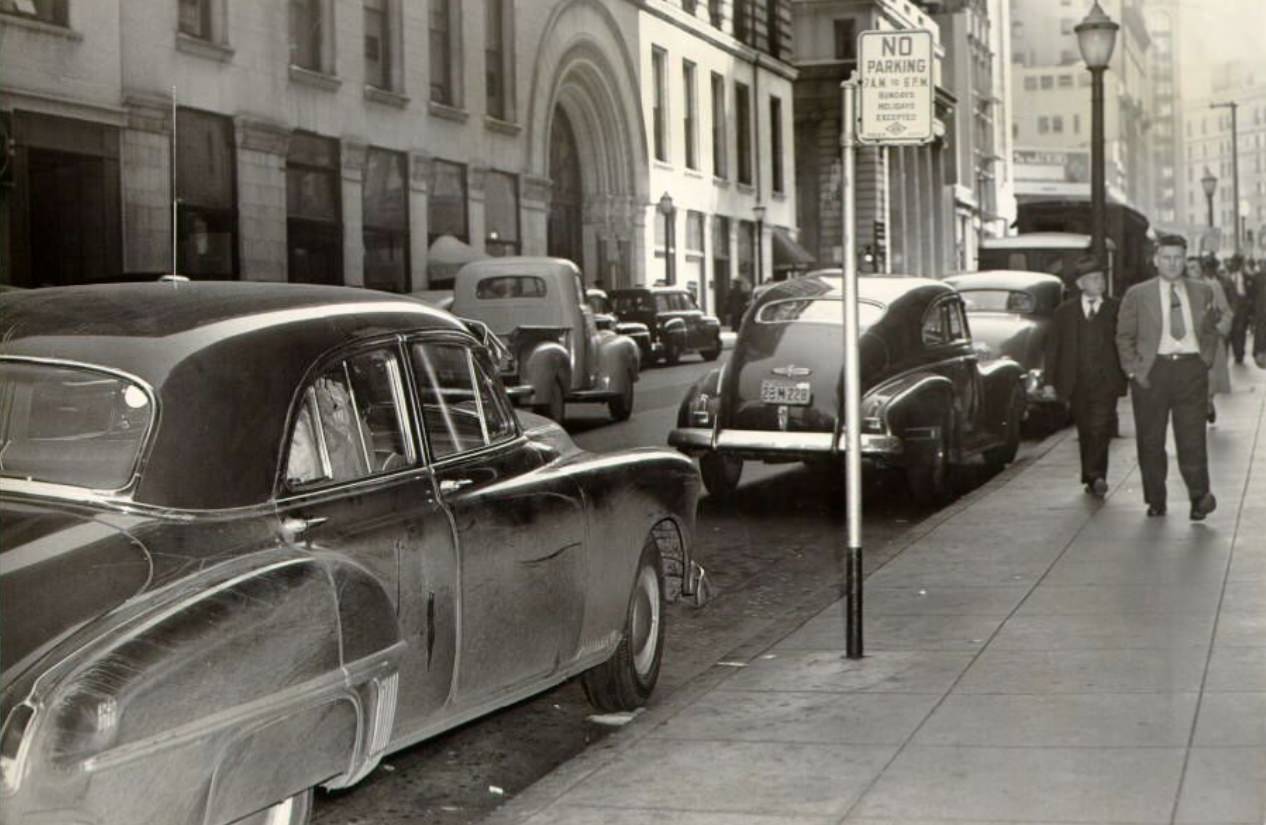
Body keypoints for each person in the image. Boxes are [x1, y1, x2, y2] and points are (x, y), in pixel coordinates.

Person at [1116, 233, 1221, 520]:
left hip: (1190, 370)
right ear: (1156, 260)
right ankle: (1156, 499)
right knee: (1151, 440)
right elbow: (1124, 336)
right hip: (1153, 372)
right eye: (1166, 258)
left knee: (1192, 438)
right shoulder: (1138, 294)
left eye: (1178, 258)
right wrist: (1134, 370)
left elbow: (1210, 330)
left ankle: (1199, 497)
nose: (1173, 264)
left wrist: (1205, 359)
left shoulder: (1202, 291)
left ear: (1185, 260)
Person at [1045, 256, 1128, 497]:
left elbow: (1126, 340)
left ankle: (1097, 476)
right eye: (1093, 279)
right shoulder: (1064, 312)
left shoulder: (1116, 308)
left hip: (1106, 380)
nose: (1099, 282)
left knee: (1101, 426)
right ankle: (1091, 476)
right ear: (1080, 284)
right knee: (1085, 429)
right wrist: (1049, 382)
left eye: (1101, 278)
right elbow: (1053, 348)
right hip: (1076, 381)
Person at [1193, 255, 1233, 423]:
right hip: (1188, 343)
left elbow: (1226, 312)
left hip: (1209, 342)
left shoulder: (1213, 286)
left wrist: (1218, 330)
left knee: (1209, 378)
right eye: (1188, 268)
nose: (1191, 271)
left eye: (1194, 268)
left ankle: (1207, 403)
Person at [1226, 255, 1253, 364]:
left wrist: (1249, 308)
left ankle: (1239, 354)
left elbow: (1251, 293)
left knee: (1240, 330)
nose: (1235, 265)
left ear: (1241, 264)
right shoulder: (1226, 276)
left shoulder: (1247, 277)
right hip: (1229, 306)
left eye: (1237, 262)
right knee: (1229, 330)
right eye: (1234, 262)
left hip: (1242, 307)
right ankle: (1228, 354)